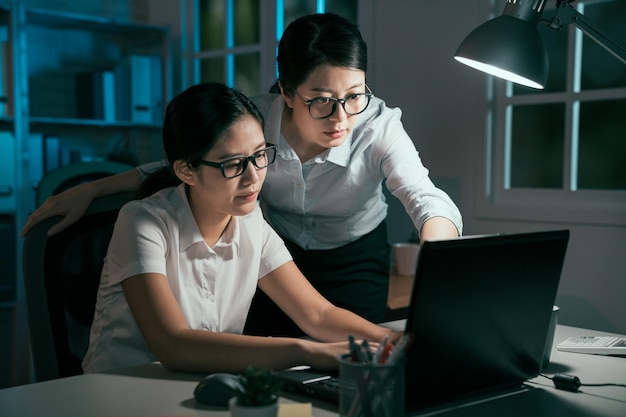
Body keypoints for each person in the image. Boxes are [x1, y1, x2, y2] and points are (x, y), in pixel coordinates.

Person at [22, 13, 462, 338]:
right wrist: (93, 188)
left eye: (354, 96)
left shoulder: (377, 125)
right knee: (272, 370)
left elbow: (425, 197)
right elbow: (185, 162)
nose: (341, 117)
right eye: (322, 101)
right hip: (278, 247)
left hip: (352, 254)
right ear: (286, 93)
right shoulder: (252, 126)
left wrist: (440, 265)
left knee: (351, 365)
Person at [81, 82, 397, 374]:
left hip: (204, 389)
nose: (253, 177)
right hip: (122, 392)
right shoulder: (142, 221)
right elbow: (172, 345)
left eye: (259, 156)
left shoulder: (251, 222)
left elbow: (318, 315)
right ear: (186, 170)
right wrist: (305, 351)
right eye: (233, 164)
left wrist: (395, 339)